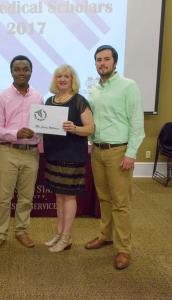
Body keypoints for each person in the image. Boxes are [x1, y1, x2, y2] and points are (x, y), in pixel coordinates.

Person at [85, 45, 145, 270]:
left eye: (106, 59)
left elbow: (137, 124)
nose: (102, 63)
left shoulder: (128, 86)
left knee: (121, 203)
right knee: (105, 199)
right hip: (97, 151)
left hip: (119, 152)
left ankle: (123, 249)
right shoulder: (94, 90)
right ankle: (105, 235)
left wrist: (131, 154)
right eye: (98, 60)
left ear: (115, 62)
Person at [0, 55, 43, 252]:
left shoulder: (38, 97)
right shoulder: (1, 97)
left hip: (31, 153)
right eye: (17, 69)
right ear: (11, 72)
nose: (21, 72)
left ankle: (21, 230)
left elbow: (42, 124)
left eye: (25, 69)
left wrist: (41, 130)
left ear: (31, 72)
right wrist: (15, 133)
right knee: (3, 197)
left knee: (26, 197)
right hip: (8, 152)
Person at [43, 65, 94, 253]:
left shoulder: (80, 101)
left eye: (66, 76)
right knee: (58, 195)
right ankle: (59, 232)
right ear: (55, 80)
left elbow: (90, 129)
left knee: (69, 196)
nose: (62, 79)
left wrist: (75, 128)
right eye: (59, 76)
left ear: (73, 80)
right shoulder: (50, 100)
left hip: (72, 155)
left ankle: (66, 237)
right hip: (54, 154)